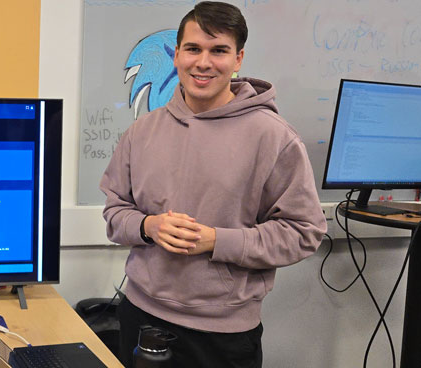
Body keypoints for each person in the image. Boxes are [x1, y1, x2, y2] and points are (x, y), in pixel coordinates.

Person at [99, 2, 328, 367]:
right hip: (140, 315)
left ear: (237, 59)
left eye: (218, 50)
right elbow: (115, 212)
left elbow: (303, 232)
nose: (203, 62)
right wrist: (148, 226)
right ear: (176, 55)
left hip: (223, 336)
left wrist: (218, 241)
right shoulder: (141, 132)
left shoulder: (274, 138)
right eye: (193, 49)